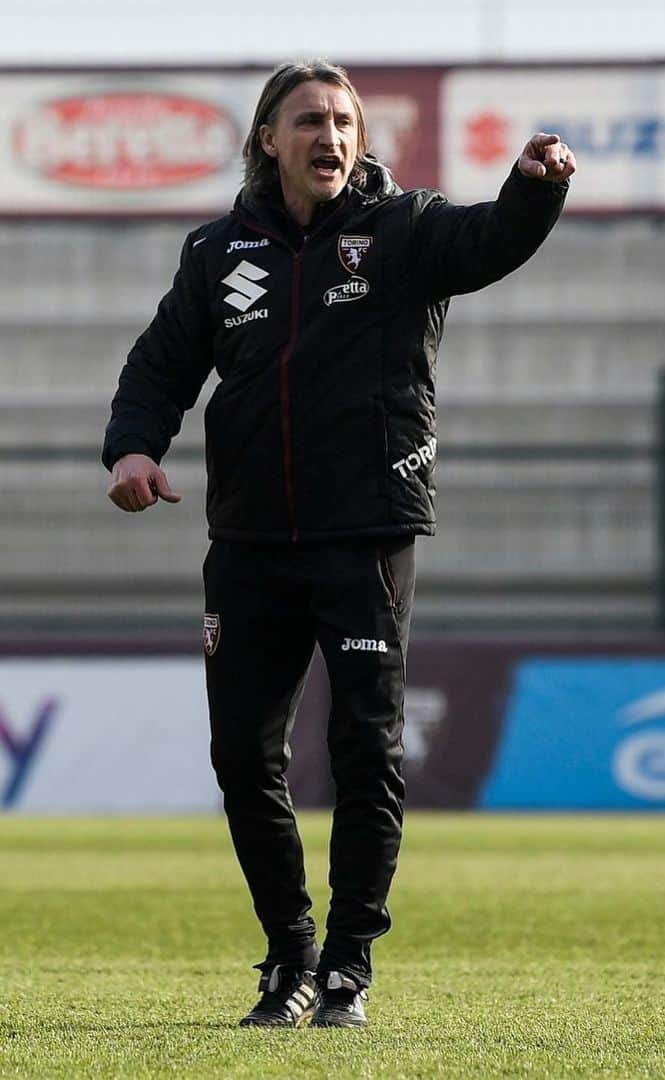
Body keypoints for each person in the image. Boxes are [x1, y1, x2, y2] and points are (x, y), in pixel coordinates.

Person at [102, 60, 573, 1028]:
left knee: (366, 752)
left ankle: (350, 965)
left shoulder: (403, 230)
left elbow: (488, 242)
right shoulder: (217, 250)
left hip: (365, 534)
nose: (332, 137)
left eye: (345, 121)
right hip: (248, 540)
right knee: (244, 758)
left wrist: (535, 189)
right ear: (267, 139)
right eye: (310, 120)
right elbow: (161, 363)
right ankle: (290, 955)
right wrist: (135, 448)